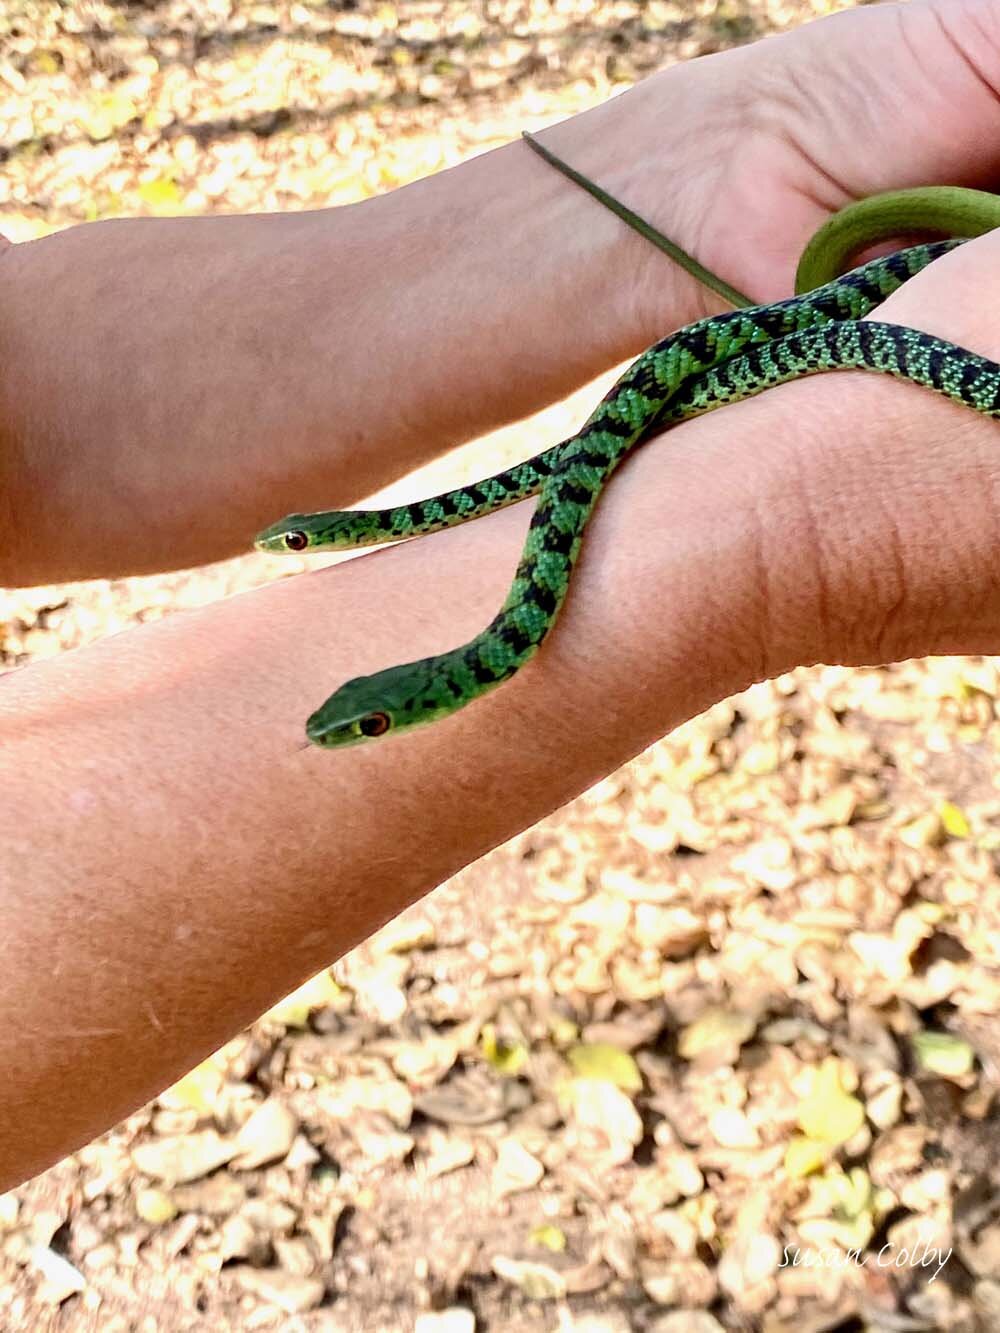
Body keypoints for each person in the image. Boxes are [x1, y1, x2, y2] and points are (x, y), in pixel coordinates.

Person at [3, 0, 1000, 1192]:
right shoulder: (498, 640)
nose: (355, 733)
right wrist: (794, 520)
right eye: (368, 723)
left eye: (365, 720)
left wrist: (747, 145)